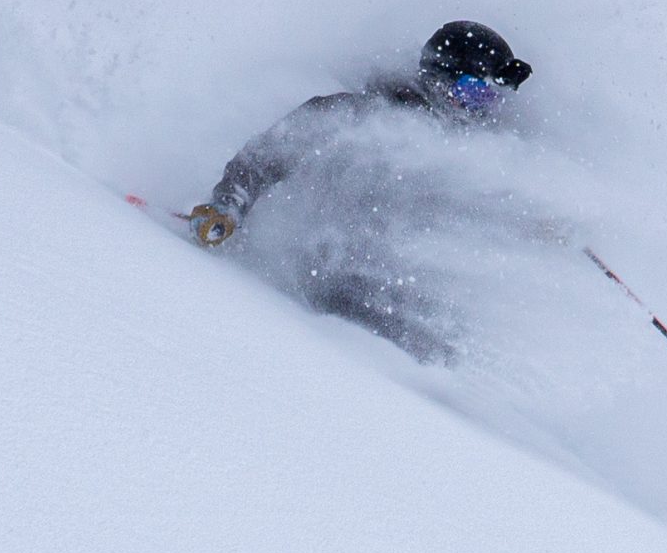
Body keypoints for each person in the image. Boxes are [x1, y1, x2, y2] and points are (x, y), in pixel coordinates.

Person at [188, 21, 532, 359]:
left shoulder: (469, 160)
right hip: (330, 283)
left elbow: (483, 212)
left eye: (490, 100)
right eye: (473, 92)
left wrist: (538, 228)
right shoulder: (359, 117)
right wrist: (228, 208)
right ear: (438, 80)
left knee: (469, 350)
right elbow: (264, 158)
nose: (479, 110)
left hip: (409, 296)